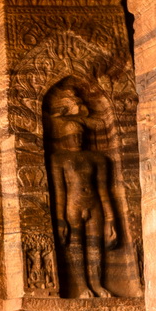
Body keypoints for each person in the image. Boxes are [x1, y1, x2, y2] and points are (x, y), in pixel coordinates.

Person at [45, 80, 118, 299]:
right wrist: (59, 219)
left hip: (94, 203)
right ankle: (82, 286)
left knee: (96, 247)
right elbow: (59, 192)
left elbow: (104, 190)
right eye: (72, 136)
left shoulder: (97, 158)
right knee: (76, 247)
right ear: (65, 138)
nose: (76, 139)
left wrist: (111, 218)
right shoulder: (60, 159)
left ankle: (97, 284)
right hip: (71, 206)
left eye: (79, 135)